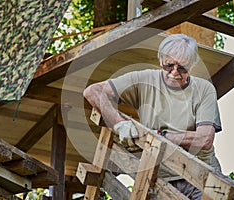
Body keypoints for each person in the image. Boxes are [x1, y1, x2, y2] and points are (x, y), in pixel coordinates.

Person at [83, 33, 222, 199]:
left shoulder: (204, 89)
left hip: (201, 177)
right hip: (158, 176)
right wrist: (120, 124)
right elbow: (93, 92)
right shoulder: (145, 79)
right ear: (161, 60)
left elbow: (204, 140)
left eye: (182, 67)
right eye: (169, 65)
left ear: (191, 65)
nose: (174, 72)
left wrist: (161, 137)